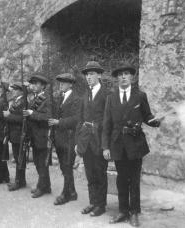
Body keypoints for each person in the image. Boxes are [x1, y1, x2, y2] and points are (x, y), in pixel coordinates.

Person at [102, 63, 161, 227]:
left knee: (134, 180)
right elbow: (107, 123)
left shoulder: (140, 96)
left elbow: (147, 116)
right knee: (121, 179)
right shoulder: (111, 98)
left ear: (132, 77)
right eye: (120, 74)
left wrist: (155, 121)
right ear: (116, 79)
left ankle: (134, 212)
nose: (123, 77)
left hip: (135, 144)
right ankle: (123, 211)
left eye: (126, 74)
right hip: (118, 144)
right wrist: (105, 146)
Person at [75, 61, 109, 217]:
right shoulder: (85, 95)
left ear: (99, 75)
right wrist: (78, 142)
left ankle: (101, 205)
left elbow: (110, 121)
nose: (88, 77)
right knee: (90, 173)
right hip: (86, 141)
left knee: (100, 173)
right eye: (87, 74)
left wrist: (105, 143)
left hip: (100, 140)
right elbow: (80, 120)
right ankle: (92, 202)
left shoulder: (107, 94)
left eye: (92, 74)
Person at [48, 73, 81, 205]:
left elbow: (76, 119)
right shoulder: (61, 97)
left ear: (71, 84)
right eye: (60, 82)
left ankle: (65, 194)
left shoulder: (76, 99)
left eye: (64, 82)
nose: (61, 84)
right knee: (64, 166)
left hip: (70, 137)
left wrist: (59, 122)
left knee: (67, 166)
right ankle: (72, 192)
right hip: (60, 138)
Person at [23, 74, 52, 198]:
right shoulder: (34, 98)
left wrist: (31, 113)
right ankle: (46, 185)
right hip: (35, 136)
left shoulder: (47, 99)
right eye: (32, 83)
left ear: (43, 86)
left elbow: (47, 117)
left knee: (41, 163)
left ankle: (42, 187)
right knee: (37, 161)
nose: (33, 86)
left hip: (43, 136)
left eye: (36, 84)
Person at [4, 82, 27, 191]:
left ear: (20, 91)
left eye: (15, 89)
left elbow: (22, 119)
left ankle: (19, 181)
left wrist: (8, 116)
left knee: (20, 158)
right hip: (14, 134)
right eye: (13, 89)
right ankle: (20, 180)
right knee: (18, 158)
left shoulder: (23, 102)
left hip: (19, 134)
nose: (13, 91)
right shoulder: (17, 101)